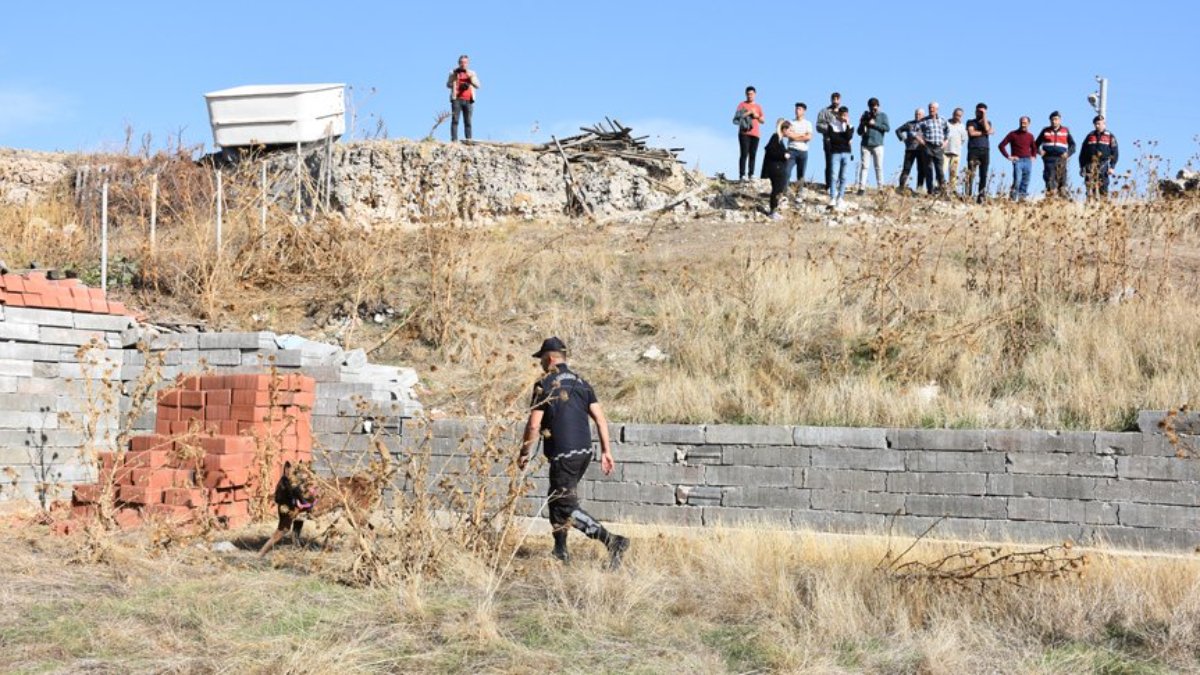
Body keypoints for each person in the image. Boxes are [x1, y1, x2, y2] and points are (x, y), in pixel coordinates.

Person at [519, 337, 630, 568]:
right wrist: (606, 451)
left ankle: (612, 541)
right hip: (584, 453)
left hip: (564, 455)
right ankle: (560, 551)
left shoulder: (545, 383)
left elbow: (533, 425)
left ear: (549, 358)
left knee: (566, 506)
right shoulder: (582, 383)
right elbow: (600, 419)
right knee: (556, 500)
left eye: (541, 359)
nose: (540, 363)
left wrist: (524, 452)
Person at [1036, 111, 1077, 198]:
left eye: (1056, 119)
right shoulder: (1045, 131)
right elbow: (1034, 145)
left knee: (1062, 181)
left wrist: (1068, 153)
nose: (1054, 121)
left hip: (1061, 159)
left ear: (1059, 120)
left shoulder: (1065, 130)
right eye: (1052, 119)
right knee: (1050, 181)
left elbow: (1073, 145)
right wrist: (1039, 152)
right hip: (1049, 159)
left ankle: (1062, 202)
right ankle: (1050, 201)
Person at [855, 97, 890, 194]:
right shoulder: (865, 116)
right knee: (864, 166)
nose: (873, 109)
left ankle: (881, 188)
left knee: (878, 167)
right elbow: (859, 132)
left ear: (878, 106)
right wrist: (862, 123)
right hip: (865, 144)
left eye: (875, 107)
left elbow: (887, 128)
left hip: (878, 144)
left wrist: (874, 124)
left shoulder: (883, 116)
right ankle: (861, 188)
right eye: (871, 107)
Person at [1079, 115, 1119, 200]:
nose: (1097, 125)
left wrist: (1112, 167)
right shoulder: (1089, 136)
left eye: (1099, 124)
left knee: (1103, 188)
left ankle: (1103, 207)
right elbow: (1082, 153)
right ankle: (1090, 207)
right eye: (1096, 124)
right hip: (1090, 165)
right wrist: (1082, 167)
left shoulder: (1110, 136)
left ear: (1104, 124)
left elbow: (1115, 152)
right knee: (1090, 188)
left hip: (1103, 165)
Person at [998, 116, 1038, 201]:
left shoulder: (1030, 136)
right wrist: (1008, 156)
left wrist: (1034, 156)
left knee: (1026, 181)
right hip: (1018, 160)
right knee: (1017, 180)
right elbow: (1001, 145)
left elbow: (1034, 147)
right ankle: (1012, 199)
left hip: (1028, 161)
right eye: (1021, 123)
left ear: (1029, 124)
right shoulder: (1013, 134)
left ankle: (1022, 200)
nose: (1023, 125)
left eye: (1025, 123)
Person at [915, 102, 950, 194]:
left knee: (940, 170)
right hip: (928, 147)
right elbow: (914, 131)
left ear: (937, 109)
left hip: (939, 147)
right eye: (930, 108)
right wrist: (920, 140)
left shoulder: (942, 120)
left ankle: (942, 191)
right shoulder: (924, 120)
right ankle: (930, 191)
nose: (931, 109)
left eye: (933, 108)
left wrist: (946, 141)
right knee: (928, 169)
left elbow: (948, 131)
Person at [446, 54, 480, 142]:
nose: (463, 64)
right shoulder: (453, 72)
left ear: (468, 63)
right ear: (458, 63)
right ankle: (454, 140)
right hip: (456, 98)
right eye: (461, 62)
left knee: (468, 121)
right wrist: (454, 76)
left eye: (465, 62)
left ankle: (468, 140)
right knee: (455, 120)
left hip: (468, 100)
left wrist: (470, 77)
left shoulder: (472, 73)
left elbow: (478, 85)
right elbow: (448, 85)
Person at [964, 103, 994, 203]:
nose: (979, 113)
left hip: (985, 150)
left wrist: (984, 116)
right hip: (974, 150)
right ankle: (968, 195)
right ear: (975, 110)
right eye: (978, 111)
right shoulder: (970, 122)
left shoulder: (988, 121)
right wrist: (986, 133)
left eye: (982, 111)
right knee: (970, 173)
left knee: (983, 175)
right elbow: (971, 133)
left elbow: (987, 128)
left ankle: (981, 197)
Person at [734, 87, 765, 181]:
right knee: (744, 153)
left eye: (751, 94)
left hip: (755, 133)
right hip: (744, 132)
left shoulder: (758, 106)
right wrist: (749, 112)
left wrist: (757, 116)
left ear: (755, 94)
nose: (749, 95)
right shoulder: (741, 104)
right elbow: (738, 117)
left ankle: (751, 174)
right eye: (748, 94)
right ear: (745, 94)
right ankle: (742, 175)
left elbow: (763, 120)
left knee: (753, 154)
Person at [763, 119, 792, 219]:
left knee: (778, 189)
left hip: (778, 168)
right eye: (789, 130)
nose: (789, 132)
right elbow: (770, 151)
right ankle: (772, 212)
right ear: (784, 129)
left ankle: (774, 210)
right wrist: (784, 155)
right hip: (775, 168)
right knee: (776, 189)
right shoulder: (775, 137)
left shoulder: (780, 140)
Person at [827, 106, 854, 209]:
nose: (843, 116)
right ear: (838, 115)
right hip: (835, 153)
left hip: (846, 153)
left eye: (845, 115)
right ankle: (833, 197)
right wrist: (844, 139)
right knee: (834, 175)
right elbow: (833, 139)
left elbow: (849, 136)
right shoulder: (832, 125)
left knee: (844, 176)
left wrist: (846, 125)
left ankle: (840, 197)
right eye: (842, 114)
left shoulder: (850, 126)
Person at [895, 108, 927, 194]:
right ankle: (901, 187)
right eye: (916, 114)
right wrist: (903, 139)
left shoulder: (926, 124)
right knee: (906, 169)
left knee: (921, 170)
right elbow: (898, 130)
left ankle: (919, 189)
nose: (917, 115)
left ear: (923, 115)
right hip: (910, 149)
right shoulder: (909, 124)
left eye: (919, 114)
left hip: (921, 150)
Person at [815, 92, 842, 188]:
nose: (835, 101)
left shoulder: (843, 112)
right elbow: (818, 126)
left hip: (841, 143)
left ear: (840, 100)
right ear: (831, 100)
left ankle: (839, 185)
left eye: (837, 99)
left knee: (841, 164)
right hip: (829, 140)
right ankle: (829, 185)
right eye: (834, 99)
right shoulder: (824, 111)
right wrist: (830, 128)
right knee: (830, 163)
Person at [785, 102, 813, 191]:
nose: (797, 111)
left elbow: (809, 137)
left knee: (801, 174)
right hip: (791, 150)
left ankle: (799, 193)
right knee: (787, 171)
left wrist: (795, 136)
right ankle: (784, 191)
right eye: (796, 108)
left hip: (803, 151)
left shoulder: (808, 123)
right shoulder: (790, 122)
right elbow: (788, 134)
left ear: (804, 111)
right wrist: (801, 136)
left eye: (799, 109)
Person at [944, 108, 968, 195]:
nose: (957, 117)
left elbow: (963, 139)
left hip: (956, 153)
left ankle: (952, 190)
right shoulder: (946, 123)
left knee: (953, 173)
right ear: (953, 114)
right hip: (945, 152)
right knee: (942, 171)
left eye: (959, 116)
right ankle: (939, 188)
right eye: (956, 115)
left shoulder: (962, 126)